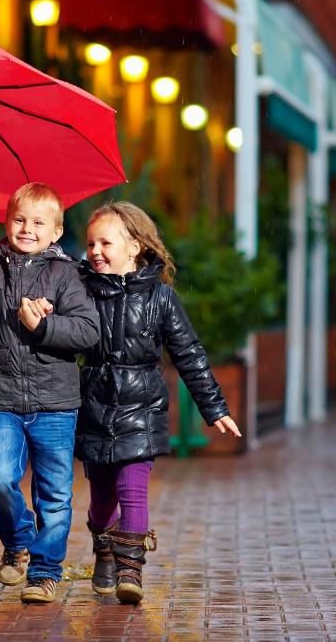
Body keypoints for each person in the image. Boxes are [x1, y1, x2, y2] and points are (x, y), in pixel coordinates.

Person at [0, 183, 100, 604]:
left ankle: (44, 572)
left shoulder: (67, 274)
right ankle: (18, 538)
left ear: (57, 232)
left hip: (55, 402)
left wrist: (43, 327)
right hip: (1, 396)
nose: (27, 229)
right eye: (19, 219)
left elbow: (86, 331)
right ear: (6, 222)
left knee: (56, 494)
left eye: (38, 222)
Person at [77, 201, 241, 605]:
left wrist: (214, 407)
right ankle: (105, 547)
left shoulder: (160, 298)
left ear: (134, 246)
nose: (95, 251)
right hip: (94, 405)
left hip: (142, 408)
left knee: (133, 489)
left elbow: (189, 353)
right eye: (91, 243)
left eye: (106, 242)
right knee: (101, 500)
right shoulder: (80, 292)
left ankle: (130, 567)